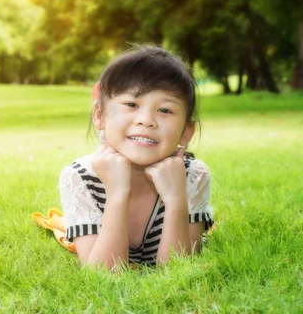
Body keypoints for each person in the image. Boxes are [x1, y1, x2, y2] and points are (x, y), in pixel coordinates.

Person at [58, 45, 214, 271]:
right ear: (100, 115)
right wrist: (117, 194)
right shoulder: (79, 178)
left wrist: (175, 199)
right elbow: (104, 275)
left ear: (186, 131)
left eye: (165, 110)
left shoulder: (193, 175)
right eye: (131, 104)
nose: (146, 120)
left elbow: (177, 272)